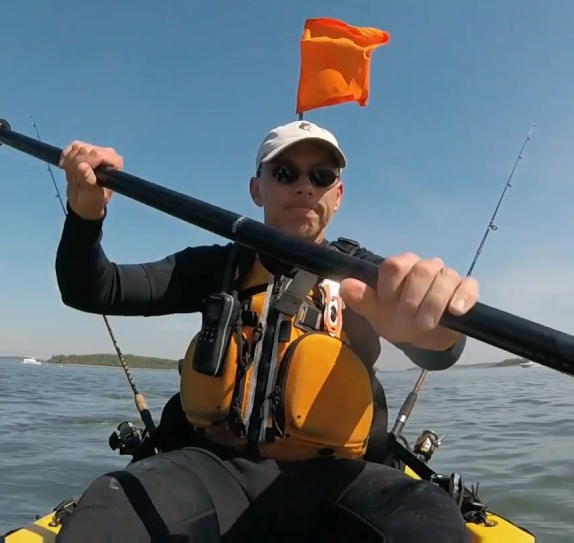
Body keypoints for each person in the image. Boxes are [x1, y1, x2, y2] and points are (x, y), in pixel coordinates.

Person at [52, 119, 480, 542]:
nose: (304, 186)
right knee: (108, 513)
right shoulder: (213, 267)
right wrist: (86, 214)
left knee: (430, 523)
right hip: (215, 470)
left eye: (321, 176)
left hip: (340, 480)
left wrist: (436, 332)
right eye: (284, 173)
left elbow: (440, 351)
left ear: (338, 193)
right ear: (257, 189)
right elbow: (93, 289)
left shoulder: (367, 276)